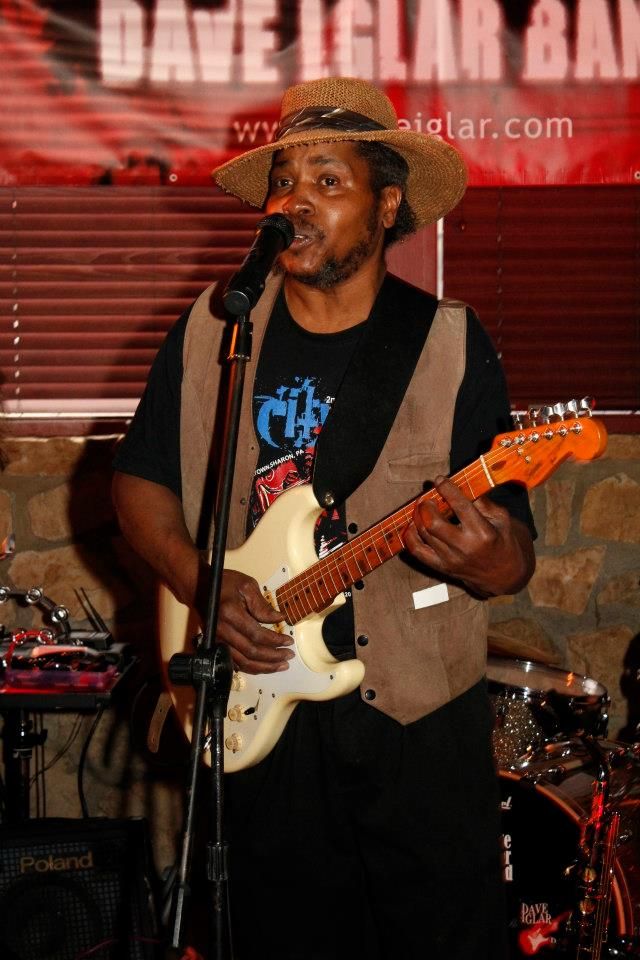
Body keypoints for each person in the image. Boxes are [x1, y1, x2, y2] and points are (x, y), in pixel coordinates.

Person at [112, 76, 536, 960]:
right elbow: (139, 483)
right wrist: (198, 579)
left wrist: (492, 562)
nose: (295, 200)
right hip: (259, 706)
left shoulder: (449, 342)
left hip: (417, 722)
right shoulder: (215, 332)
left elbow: (511, 550)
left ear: (388, 205)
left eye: (328, 181)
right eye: (285, 182)